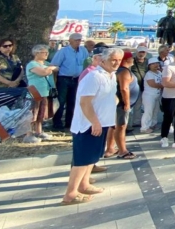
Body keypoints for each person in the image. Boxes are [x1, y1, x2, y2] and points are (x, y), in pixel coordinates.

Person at [62, 48, 123, 205]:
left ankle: (84, 184)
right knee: (82, 160)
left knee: (91, 158)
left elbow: (110, 96)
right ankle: (70, 194)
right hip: (87, 125)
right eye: (113, 60)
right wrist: (94, 122)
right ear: (103, 60)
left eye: (119, 60)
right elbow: (85, 102)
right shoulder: (94, 76)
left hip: (102, 123)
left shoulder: (111, 75)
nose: (116, 63)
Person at [51, 33, 89, 130]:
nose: (78, 42)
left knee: (73, 101)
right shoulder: (63, 51)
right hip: (64, 78)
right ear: (70, 40)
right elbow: (54, 65)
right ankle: (57, 123)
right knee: (61, 101)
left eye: (79, 40)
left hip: (77, 79)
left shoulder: (83, 50)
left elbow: (87, 62)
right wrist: (54, 81)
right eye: (76, 40)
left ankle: (70, 122)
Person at [105, 51, 138, 160]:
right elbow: (124, 88)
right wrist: (127, 104)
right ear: (127, 59)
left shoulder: (121, 70)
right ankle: (122, 151)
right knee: (121, 126)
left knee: (114, 126)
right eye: (132, 58)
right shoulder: (124, 71)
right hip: (121, 104)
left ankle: (110, 148)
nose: (133, 59)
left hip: (118, 103)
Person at [24, 44, 58, 143]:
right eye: (44, 52)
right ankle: (28, 135)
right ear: (36, 53)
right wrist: (50, 68)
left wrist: (49, 68)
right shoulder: (32, 64)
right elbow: (43, 73)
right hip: (34, 92)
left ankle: (39, 132)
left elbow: (57, 68)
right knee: (32, 113)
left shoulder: (46, 63)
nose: (46, 54)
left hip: (45, 92)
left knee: (41, 113)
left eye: (47, 52)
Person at [140, 58, 163, 133]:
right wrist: (164, 85)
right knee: (148, 112)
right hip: (149, 95)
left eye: (157, 63)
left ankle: (153, 124)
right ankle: (144, 128)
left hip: (157, 95)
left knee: (155, 111)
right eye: (153, 64)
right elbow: (152, 84)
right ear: (149, 66)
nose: (156, 65)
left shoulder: (159, 72)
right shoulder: (149, 74)